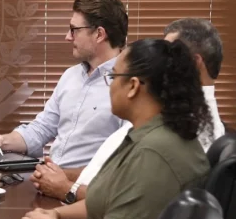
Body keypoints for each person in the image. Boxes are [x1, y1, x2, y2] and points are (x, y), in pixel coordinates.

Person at [20, 39, 211, 219]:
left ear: (133, 86)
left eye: (113, 77)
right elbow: (103, 201)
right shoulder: (142, 135)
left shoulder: (155, 151)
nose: (108, 86)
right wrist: (54, 216)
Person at [33, 18, 225, 202]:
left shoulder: (189, 126)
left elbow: (137, 201)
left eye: (170, 54)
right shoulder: (164, 109)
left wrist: (65, 189)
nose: (161, 60)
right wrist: (61, 174)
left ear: (194, 62)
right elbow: (111, 172)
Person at [0, 0, 128, 168]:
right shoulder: (70, 76)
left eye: (74, 30)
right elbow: (42, 129)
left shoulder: (130, 85)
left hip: (87, 183)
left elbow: (126, 161)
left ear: (99, 34)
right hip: (49, 176)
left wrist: (62, 177)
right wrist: (0, 141)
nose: (68, 37)